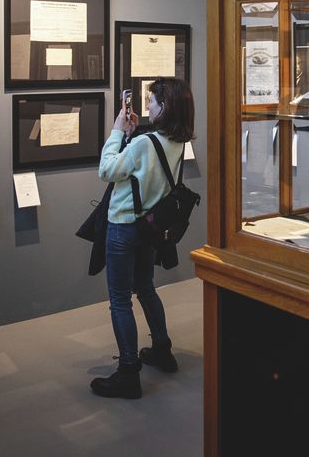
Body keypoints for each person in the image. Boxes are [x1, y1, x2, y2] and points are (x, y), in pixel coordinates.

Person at [91, 77, 195, 399]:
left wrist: (117, 132)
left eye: (152, 102)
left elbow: (107, 170)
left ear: (165, 108)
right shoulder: (176, 142)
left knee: (120, 299)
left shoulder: (142, 144)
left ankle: (127, 372)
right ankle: (162, 350)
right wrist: (133, 136)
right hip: (151, 227)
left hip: (123, 226)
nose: (147, 106)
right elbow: (146, 169)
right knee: (146, 288)